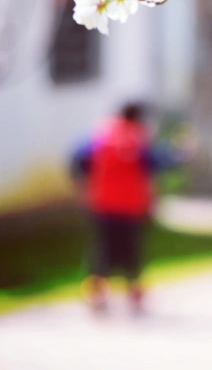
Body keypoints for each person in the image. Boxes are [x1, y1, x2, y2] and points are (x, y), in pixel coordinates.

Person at [71, 102, 190, 312]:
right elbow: (157, 162)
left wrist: (85, 186)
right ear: (138, 118)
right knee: (132, 252)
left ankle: (95, 293)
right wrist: (180, 153)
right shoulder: (137, 139)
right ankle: (135, 296)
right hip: (131, 207)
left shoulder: (101, 136)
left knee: (102, 250)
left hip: (102, 204)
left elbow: (78, 160)